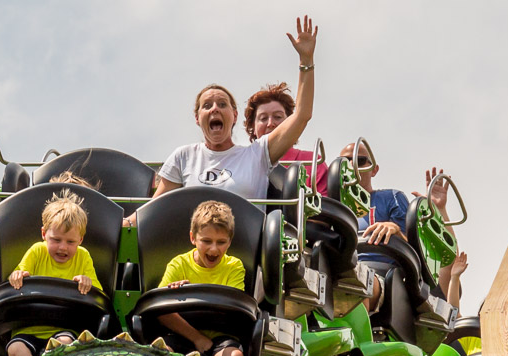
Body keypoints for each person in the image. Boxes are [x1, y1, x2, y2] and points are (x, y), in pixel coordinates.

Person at [136, 16, 317, 215]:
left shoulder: (257, 155)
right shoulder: (184, 156)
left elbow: (302, 115)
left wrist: (306, 61)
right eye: (207, 105)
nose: (215, 109)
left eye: (222, 104)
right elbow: (153, 210)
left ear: (234, 115)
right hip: (197, 244)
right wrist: (127, 223)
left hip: (244, 242)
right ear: (197, 118)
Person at [340, 143, 454, 309]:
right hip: (343, 268)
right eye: (345, 160)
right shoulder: (334, 204)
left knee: (356, 285)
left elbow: (417, 252)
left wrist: (395, 230)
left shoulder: (390, 198)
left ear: (374, 169)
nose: (352, 165)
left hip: (381, 274)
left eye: (360, 160)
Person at [5, 190, 102, 356]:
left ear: (80, 240)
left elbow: (97, 296)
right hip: (29, 327)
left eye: (70, 242)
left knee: (64, 344)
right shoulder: (37, 252)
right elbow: (16, 278)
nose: (63, 247)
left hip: (63, 328)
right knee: (14, 349)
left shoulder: (83, 257)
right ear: (44, 235)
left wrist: (87, 283)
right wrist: (17, 276)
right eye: (56, 240)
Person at [156, 200, 248, 356]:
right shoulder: (178, 264)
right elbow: (160, 310)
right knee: (159, 353)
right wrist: (197, 337)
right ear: (193, 238)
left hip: (220, 338)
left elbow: (232, 310)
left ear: (229, 242)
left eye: (221, 242)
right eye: (206, 241)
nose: (214, 249)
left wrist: (190, 294)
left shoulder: (234, 267)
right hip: (181, 334)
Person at [243, 82, 327, 194]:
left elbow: (323, 206)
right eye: (263, 118)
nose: (270, 123)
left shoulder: (312, 161)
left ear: (290, 122)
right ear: (253, 127)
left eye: (277, 117)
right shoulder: (242, 163)